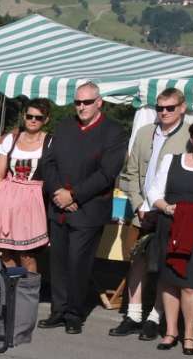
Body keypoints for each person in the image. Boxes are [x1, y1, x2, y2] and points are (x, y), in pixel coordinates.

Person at [39, 81, 128, 334]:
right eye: (77, 102)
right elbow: (49, 162)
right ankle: (58, 310)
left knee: (78, 262)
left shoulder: (113, 132)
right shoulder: (65, 126)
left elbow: (107, 173)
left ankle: (74, 313)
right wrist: (58, 192)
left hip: (88, 208)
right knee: (57, 261)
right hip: (59, 205)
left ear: (99, 102)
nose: (81, 107)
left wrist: (74, 194)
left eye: (87, 102)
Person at [112, 88, 188, 339]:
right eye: (160, 108)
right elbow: (130, 173)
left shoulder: (189, 135)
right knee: (138, 260)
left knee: (165, 264)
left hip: (170, 211)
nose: (164, 112)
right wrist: (137, 204)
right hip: (141, 210)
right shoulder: (145, 133)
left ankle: (155, 316)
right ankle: (133, 314)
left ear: (182, 108)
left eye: (170, 108)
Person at [147, 121, 193, 355]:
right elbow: (154, 192)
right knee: (168, 281)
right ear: (191, 137)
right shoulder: (172, 160)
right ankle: (170, 332)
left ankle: (189, 333)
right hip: (171, 226)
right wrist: (167, 208)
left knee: (190, 286)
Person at [0, 99, 52, 275]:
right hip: (8, 204)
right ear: (24, 116)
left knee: (27, 255)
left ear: (46, 120)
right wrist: (8, 196)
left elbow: (53, 175)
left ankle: (27, 295)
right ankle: (13, 288)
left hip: (33, 204)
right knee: (5, 252)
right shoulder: (11, 139)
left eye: (38, 118)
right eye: (29, 116)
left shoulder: (50, 142)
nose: (33, 120)